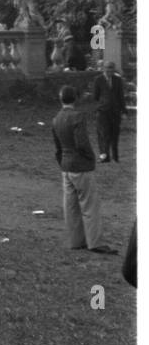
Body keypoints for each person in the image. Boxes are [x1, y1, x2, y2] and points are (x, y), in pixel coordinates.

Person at [52, 84, 112, 253]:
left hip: (66, 164)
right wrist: (90, 158)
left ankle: (76, 240)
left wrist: (62, 161)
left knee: (71, 206)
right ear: (76, 99)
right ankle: (95, 242)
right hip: (80, 164)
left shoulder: (56, 118)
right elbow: (82, 143)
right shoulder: (77, 117)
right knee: (89, 204)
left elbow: (57, 147)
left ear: (61, 99)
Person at [92, 60, 127, 163]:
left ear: (114, 69)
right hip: (103, 111)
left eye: (111, 68)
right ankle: (104, 157)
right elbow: (95, 96)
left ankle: (115, 157)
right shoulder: (98, 80)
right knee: (103, 135)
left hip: (115, 112)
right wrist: (103, 104)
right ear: (104, 68)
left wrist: (124, 111)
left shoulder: (118, 80)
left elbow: (121, 97)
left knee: (115, 134)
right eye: (107, 68)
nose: (109, 70)